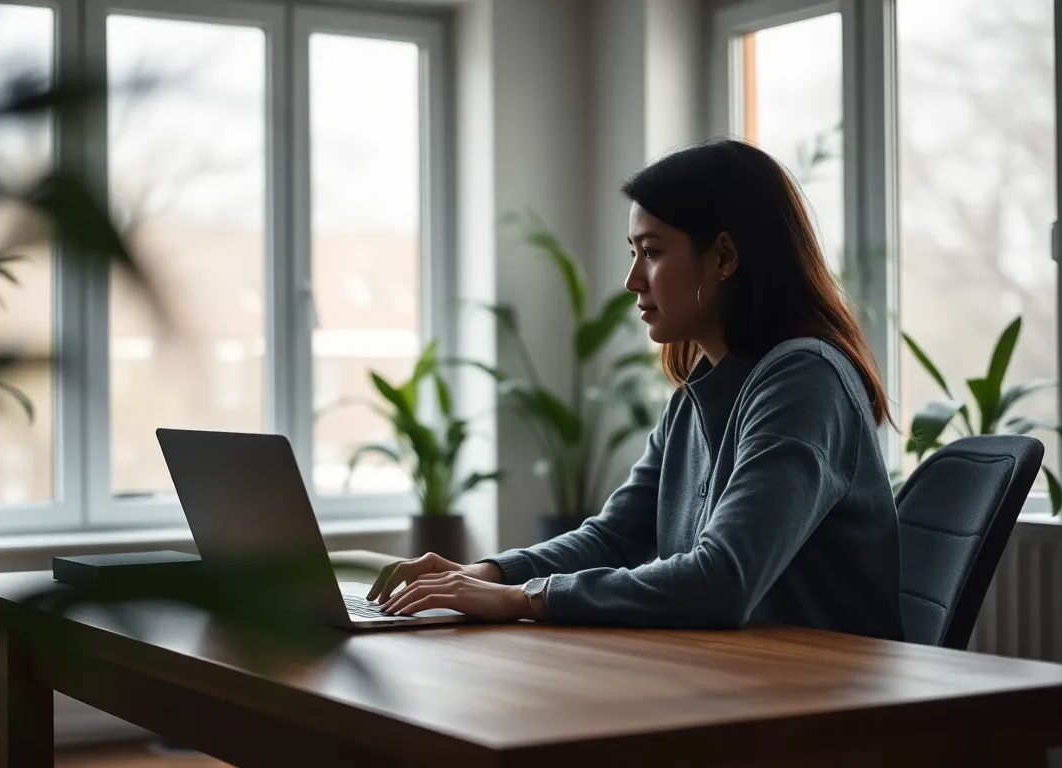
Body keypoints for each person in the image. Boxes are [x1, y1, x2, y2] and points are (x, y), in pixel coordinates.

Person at [367, 138, 905, 641]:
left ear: (723, 257)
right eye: (634, 252)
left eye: (651, 251)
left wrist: (521, 598)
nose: (633, 281)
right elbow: (614, 537)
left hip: (828, 713)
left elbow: (722, 579)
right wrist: (483, 574)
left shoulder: (805, 380)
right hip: (740, 685)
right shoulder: (693, 401)